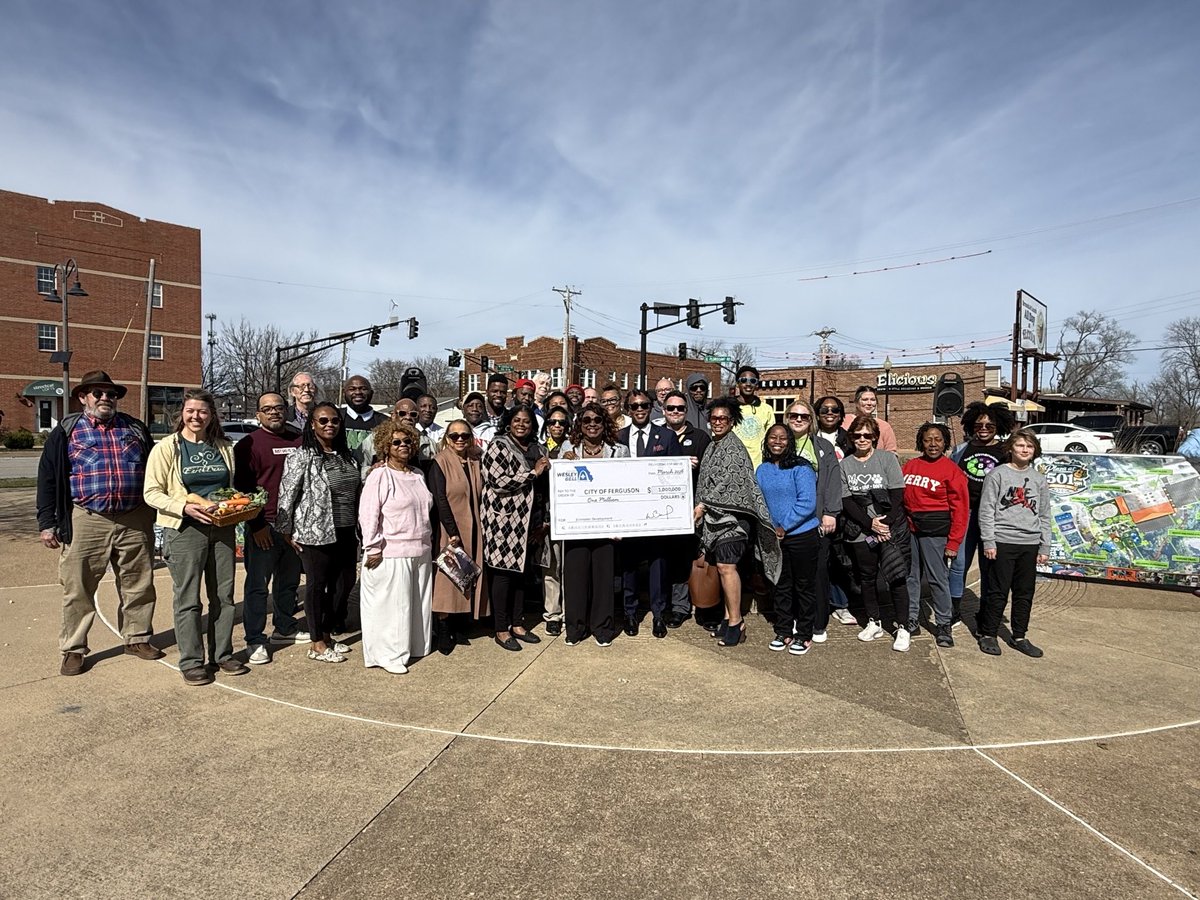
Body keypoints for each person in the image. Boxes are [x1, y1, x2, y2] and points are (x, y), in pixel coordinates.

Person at [36, 370, 163, 676]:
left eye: (111, 394)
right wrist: (47, 522)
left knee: (138, 583)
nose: (106, 398)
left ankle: (136, 638)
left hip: (134, 516)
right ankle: (74, 648)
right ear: (83, 397)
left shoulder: (134, 428)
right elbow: (48, 479)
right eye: (98, 393)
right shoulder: (67, 430)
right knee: (78, 586)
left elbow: (154, 470)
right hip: (87, 518)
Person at [144, 388, 247, 685]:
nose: (196, 416)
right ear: (182, 414)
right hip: (184, 530)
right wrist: (184, 508)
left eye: (202, 411)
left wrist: (235, 502)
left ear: (211, 415)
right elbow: (151, 492)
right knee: (188, 598)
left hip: (222, 528)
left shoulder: (223, 446)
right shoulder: (166, 448)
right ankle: (191, 660)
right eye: (190, 411)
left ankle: (223, 654)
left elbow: (228, 486)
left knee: (224, 596)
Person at [277, 402, 361, 663]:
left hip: (346, 530)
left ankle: (326, 633)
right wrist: (286, 529)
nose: (329, 425)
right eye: (323, 421)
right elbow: (286, 494)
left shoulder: (348, 456)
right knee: (317, 585)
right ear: (312, 424)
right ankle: (316, 643)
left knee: (344, 583)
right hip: (314, 531)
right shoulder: (301, 456)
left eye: (334, 421)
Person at [693, 397, 781, 647]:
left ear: (732, 422)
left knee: (726, 567)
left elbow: (729, 484)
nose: (718, 422)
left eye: (723, 418)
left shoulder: (733, 447)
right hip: (715, 519)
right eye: (714, 418)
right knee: (722, 569)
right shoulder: (713, 445)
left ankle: (736, 622)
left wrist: (702, 506)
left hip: (734, 520)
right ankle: (727, 617)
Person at [234, 392, 307, 665]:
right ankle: (255, 639)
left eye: (279, 407)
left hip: (294, 526)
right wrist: (256, 525)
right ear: (258, 415)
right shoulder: (248, 445)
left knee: (288, 581)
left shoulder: (299, 441)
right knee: (257, 586)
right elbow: (243, 491)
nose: (274, 412)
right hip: (264, 525)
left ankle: (285, 628)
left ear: (286, 410)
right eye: (267, 409)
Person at [358, 420, 434, 674]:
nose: (403, 446)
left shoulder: (418, 475)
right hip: (391, 552)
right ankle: (389, 655)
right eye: (396, 442)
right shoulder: (380, 475)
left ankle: (414, 647)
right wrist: (373, 547)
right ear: (385, 446)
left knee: (416, 606)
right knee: (393, 609)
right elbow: (368, 514)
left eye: (408, 441)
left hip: (421, 550)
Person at [977, 428, 1051, 658]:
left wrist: (1044, 546)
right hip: (1002, 541)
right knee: (998, 591)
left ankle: (1019, 635)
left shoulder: (1039, 480)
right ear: (1011, 448)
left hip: (1029, 543)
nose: (1025, 450)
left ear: (1035, 451)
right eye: (1020, 445)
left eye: (1029, 447)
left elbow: (1045, 515)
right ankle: (988, 632)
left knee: (1024, 592)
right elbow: (987, 510)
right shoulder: (997, 475)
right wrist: (989, 541)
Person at [559, 403, 629, 645]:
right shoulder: (568, 449)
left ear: (604, 423)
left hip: (607, 526)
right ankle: (575, 629)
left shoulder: (619, 450)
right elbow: (559, 486)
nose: (592, 424)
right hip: (576, 525)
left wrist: (622, 523)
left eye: (597, 420)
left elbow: (626, 489)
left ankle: (602, 628)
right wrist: (564, 464)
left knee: (603, 579)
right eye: (587, 420)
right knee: (575, 579)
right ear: (580, 424)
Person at [481, 404, 549, 651]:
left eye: (527, 421)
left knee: (522, 574)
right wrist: (532, 473)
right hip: (503, 521)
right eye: (517, 420)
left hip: (530, 520)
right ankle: (501, 629)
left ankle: (518, 624)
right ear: (509, 422)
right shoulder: (498, 444)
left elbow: (544, 485)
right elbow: (497, 481)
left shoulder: (538, 448)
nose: (522, 424)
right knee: (502, 574)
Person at [840, 415, 912, 650]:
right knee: (867, 578)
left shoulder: (886, 459)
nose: (862, 439)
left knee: (897, 577)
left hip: (889, 528)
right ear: (851, 438)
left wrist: (885, 523)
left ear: (874, 437)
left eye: (867, 435)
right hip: (862, 530)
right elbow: (847, 500)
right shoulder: (846, 464)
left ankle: (903, 627)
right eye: (857, 435)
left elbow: (897, 493)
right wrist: (870, 524)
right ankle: (874, 621)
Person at [616, 389, 682, 638]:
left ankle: (658, 615)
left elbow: (675, 475)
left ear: (651, 406)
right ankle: (630, 614)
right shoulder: (619, 438)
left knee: (658, 566)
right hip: (628, 513)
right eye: (634, 406)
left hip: (657, 513)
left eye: (644, 405)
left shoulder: (666, 436)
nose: (640, 409)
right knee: (629, 567)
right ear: (628, 409)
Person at [903, 422, 969, 650]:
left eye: (938, 439)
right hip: (911, 530)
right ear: (921, 441)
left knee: (937, 579)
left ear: (945, 442)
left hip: (936, 533)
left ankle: (943, 624)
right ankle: (911, 618)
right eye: (928, 439)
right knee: (911, 577)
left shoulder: (952, 470)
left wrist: (954, 542)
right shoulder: (911, 466)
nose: (933, 444)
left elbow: (960, 509)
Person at [949, 401, 1017, 625]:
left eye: (990, 425)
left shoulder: (1007, 452)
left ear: (999, 426)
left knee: (990, 567)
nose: (984, 428)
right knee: (959, 565)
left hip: (994, 518)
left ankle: (985, 612)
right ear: (971, 426)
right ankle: (953, 610)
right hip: (965, 514)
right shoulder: (961, 450)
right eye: (979, 425)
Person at [757, 424, 820, 655]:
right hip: (774, 537)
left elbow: (807, 503)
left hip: (802, 535)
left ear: (789, 442)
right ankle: (783, 630)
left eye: (783, 438)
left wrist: (784, 526)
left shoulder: (801, 468)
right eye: (773, 437)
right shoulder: (762, 470)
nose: (777, 441)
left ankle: (804, 634)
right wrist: (769, 527)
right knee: (781, 585)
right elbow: (759, 502)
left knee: (804, 586)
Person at [428, 419, 489, 653]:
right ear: (447, 439)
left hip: (474, 527)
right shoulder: (440, 462)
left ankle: (460, 623)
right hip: (451, 529)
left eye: (464, 435)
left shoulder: (475, 460)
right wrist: (452, 531)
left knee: (467, 576)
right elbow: (440, 499)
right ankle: (444, 628)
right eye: (455, 436)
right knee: (448, 578)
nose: (460, 439)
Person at [785, 398, 842, 644]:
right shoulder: (778, 443)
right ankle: (797, 617)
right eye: (794, 415)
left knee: (817, 573)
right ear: (786, 418)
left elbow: (832, 479)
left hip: (817, 521)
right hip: (787, 522)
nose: (798, 419)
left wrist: (831, 512)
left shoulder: (822, 447)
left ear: (811, 421)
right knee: (791, 574)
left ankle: (818, 622)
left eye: (804, 416)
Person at [662, 389, 710, 627]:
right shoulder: (656, 436)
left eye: (680, 408)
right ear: (663, 411)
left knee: (686, 558)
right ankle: (664, 604)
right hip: (659, 509)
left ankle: (684, 607)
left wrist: (700, 505)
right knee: (663, 559)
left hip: (690, 509)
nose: (676, 412)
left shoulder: (700, 437)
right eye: (671, 408)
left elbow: (709, 476)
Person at [539, 407, 572, 635]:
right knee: (551, 567)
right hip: (549, 514)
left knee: (570, 566)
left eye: (561, 422)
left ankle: (572, 612)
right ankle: (552, 614)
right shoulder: (539, 448)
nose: (557, 426)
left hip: (572, 515)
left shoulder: (574, 447)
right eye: (552, 422)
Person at [732, 365, 775, 467]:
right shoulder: (729, 407)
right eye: (743, 380)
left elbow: (771, 438)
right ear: (738, 384)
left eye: (752, 381)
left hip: (759, 465)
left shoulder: (766, 409)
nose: (748, 384)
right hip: (734, 464)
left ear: (757, 385)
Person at [342, 375, 389, 468]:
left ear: (371, 393)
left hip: (373, 477)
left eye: (363, 389)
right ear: (344, 393)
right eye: (352, 389)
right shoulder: (335, 418)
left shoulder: (385, 422)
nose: (358, 392)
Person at [842, 386, 897, 452]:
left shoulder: (884, 426)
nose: (869, 403)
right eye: (865, 400)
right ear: (856, 402)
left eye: (873, 400)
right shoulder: (844, 421)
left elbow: (891, 452)